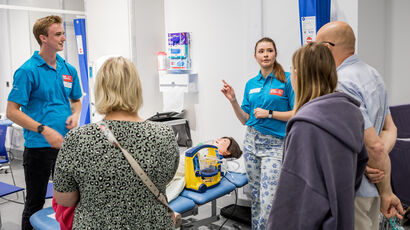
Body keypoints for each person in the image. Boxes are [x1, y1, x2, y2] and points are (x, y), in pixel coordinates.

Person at [53, 57, 180, 229]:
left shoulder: (77, 138)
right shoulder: (164, 134)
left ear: (100, 90)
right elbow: (165, 180)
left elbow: (64, 199)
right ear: (137, 89)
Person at [267, 42, 368, 229]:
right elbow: (360, 166)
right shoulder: (352, 114)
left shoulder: (306, 127)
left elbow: (293, 202)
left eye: (292, 72)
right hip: (342, 217)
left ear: (298, 75)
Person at [316, 21, 404, 229]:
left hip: (354, 188)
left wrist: (368, 162)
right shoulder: (373, 74)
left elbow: (375, 145)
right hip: (373, 185)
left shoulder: (340, 83)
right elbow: (389, 130)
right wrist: (377, 166)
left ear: (327, 48)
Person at [5, 15, 82, 230]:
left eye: (63, 33)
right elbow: (11, 112)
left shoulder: (69, 69)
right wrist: (43, 129)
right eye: (58, 34)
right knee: (35, 204)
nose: (64, 38)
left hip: (66, 147)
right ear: (43, 38)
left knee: (70, 200)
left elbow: (76, 100)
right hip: (38, 149)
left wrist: (75, 115)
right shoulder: (27, 71)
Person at [221, 37, 295, 229]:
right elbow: (246, 119)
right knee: (256, 196)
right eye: (261, 51)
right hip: (252, 142)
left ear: (275, 54)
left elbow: (297, 112)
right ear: (255, 56)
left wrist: (270, 113)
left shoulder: (287, 80)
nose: (265, 54)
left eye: (269, 50)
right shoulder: (251, 84)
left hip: (275, 145)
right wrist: (233, 101)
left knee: (269, 200)